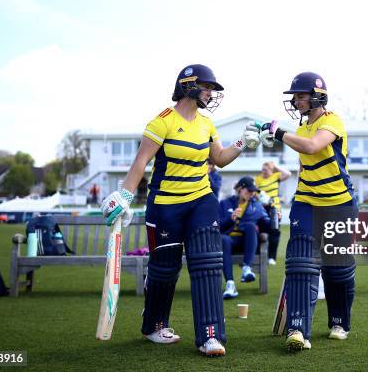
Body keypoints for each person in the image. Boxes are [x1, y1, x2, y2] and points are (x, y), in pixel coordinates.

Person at [100, 64, 260, 357]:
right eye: (207, 87)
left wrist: (242, 143)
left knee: (208, 264)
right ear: (188, 86)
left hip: (201, 200)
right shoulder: (162, 121)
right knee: (164, 270)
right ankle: (154, 325)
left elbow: (220, 159)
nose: (211, 94)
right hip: (165, 206)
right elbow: (141, 162)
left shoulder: (206, 125)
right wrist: (124, 195)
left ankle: (210, 336)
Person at [260, 72, 357, 351]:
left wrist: (279, 133)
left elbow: (313, 147)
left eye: (300, 95)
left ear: (317, 97)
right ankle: (298, 329)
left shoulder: (332, 121)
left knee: (337, 269)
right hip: (307, 202)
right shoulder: (301, 129)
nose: (296, 100)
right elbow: (305, 164)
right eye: (295, 96)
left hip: (339, 203)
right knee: (301, 262)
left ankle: (339, 322)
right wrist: (301, 194)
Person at [219, 176, 270, 299]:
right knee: (223, 239)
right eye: (249, 190)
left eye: (253, 191)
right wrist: (230, 220)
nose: (251, 193)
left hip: (247, 242)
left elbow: (267, 225)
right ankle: (230, 285)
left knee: (251, 226)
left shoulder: (257, 206)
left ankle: (246, 268)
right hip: (229, 241)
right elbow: (217, 226)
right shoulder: (225, 203)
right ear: (240, 189)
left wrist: (274, 216)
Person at [254, 161, 291, 265]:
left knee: (274, 232)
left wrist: (276, 166)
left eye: (265, 169)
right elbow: (254, 192)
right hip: (261, 208)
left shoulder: (276, 176)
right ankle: (257, 255)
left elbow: (288, 174)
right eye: (262, 169)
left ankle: (271, 257)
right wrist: (261, 200)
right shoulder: (258, 178)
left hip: (275, 207)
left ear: (271, 169)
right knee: (258, 231)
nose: (263, 171)